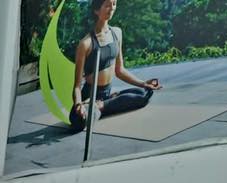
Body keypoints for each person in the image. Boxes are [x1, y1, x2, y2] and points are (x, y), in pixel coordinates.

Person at [69, 0, 162, 133]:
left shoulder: (117, 33)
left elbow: (120, 70)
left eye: (114, 4)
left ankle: (104, 103)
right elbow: (77, 86)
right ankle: (98, 106)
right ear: (96, 10)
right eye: (107, 5)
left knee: (144, 93)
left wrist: (143, 83)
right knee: (79, 121)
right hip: (90, 96)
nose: (112, 8)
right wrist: (78, 104)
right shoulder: (85, 44)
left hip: (106, 93)